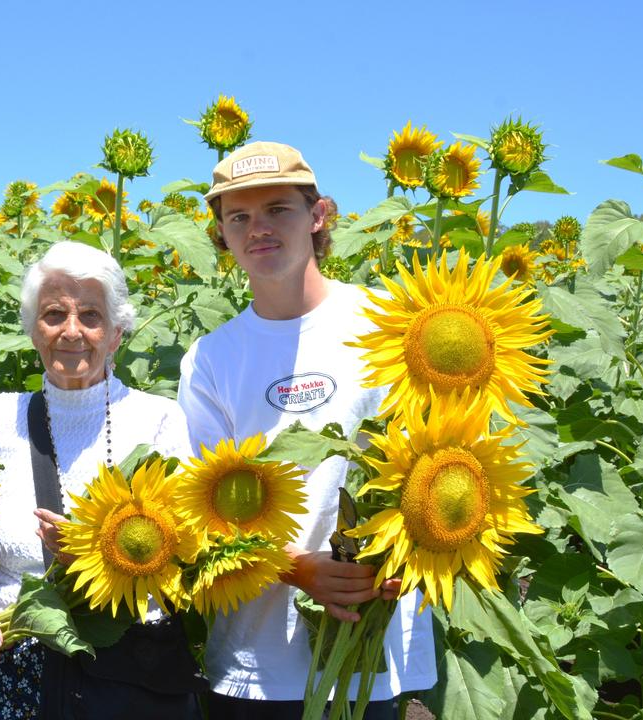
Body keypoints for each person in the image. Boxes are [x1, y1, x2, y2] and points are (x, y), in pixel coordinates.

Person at [177, 142, 437, 719]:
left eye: (278, 210)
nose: (258, 229)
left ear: (318, 216)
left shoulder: (391, 324)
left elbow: (439, 454)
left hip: (373, 639)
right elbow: (199, 512)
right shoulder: (212, 358)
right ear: (221, 232)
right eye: (238, 217)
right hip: (255, 657)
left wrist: (404, 556)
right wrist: (299, 569)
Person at [0, 241, 201, 719]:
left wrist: (98, 557)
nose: (71, 331)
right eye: (54, 314)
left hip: (127, 674)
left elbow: (186, 556)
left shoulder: (159, 421)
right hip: (12, 672)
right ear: (33, 329)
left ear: (117, 333)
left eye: (91, 316)